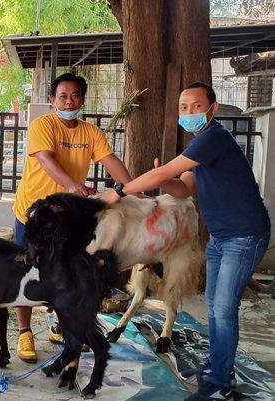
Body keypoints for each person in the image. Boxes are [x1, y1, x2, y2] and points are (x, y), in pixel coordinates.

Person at [99, 82, 270, 401]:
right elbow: (183, 188)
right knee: (214, 307)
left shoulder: (213, 137)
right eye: (184, 107)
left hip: (244, 236)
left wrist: (119, 191)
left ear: (213, 108)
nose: (189, 112)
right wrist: (165, 179)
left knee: (223, 308)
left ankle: (219, 384)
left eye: (196, 105)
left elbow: (167, 172)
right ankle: (218, 367)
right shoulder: (200, 144)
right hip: (221, 237)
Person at [12, 73, 132, 363]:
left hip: (67, 220)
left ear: (82, 100)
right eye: (63, 96)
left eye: (75, 95)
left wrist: (133, 190)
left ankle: (60, 324)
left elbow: (111, 161)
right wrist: (72, 185)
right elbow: (45, 159)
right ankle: (24, 331)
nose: (69, 101)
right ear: (52, 101)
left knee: (65, 274)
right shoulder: (42, 125)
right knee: (25, 274)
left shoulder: (91, 133)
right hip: (33, 214)